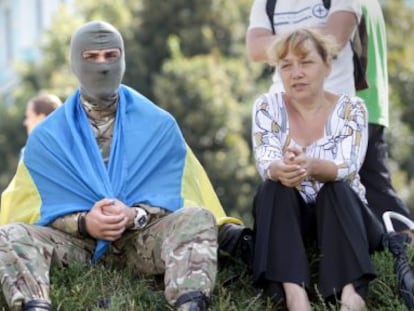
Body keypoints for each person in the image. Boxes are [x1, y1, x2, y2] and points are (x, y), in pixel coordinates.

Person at [0, 21, 241, 311]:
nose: (102, 66)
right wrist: (84, 222)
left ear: (123, 59)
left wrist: (134, 215)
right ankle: (35, 305)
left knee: (197, 217)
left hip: (142, 240)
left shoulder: (158, 124)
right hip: (77, 247)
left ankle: (189, 303)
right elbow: (37, 208)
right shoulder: (49, 136)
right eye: (91, 57)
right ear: (76, 62)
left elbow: (177, 195)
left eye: (110, 55)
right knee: (10, 234)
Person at [251, 28, 383, 310]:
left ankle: (351, 294)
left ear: (327, 65)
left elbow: (347, 167)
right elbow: (265, 160)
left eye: (306, 62)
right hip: (291, 217)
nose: (296, 72)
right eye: (286, 65)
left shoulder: (352, 109)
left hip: (344, 215)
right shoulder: (267, 106)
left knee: (335, 188)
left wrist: (310, 166)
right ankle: (294, 294)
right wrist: (281, 168)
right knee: (273, 187)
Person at [357, 0, 414, 234]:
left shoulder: (345, 6)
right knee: (376, 185)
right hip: (373, 105)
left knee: (375, 188)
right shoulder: (369, 4)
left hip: (355, 104)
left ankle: (407, 246)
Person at [246, 0, 361, 96]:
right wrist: (315, 38)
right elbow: (255, 50)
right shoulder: (265, 2)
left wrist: (279, 45)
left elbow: (335, 38)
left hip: (335, 103)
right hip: (283, 106)